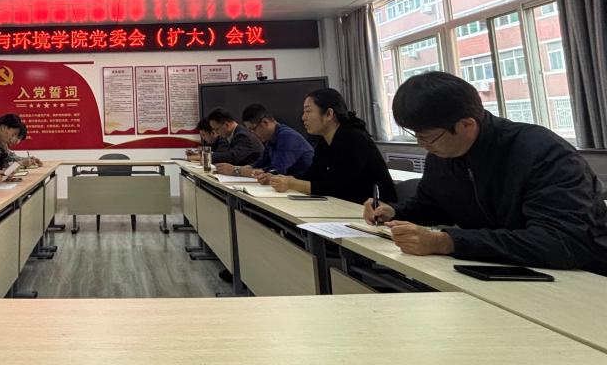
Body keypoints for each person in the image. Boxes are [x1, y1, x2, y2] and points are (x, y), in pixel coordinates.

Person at [364, 72, 607, 272]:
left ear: (466, 125)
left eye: (427, 137)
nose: (421, 145)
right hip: (498, 269)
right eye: (415, 135)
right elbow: (433, 205)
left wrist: (448, 242)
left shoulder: (543, 152)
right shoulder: (443, 155)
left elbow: (559, 242)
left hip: (581, 276)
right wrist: (394, 211)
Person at [270, 89, 395, 205]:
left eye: (308, 111)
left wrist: (293, 183)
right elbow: (313, 175)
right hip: (343, 205)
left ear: (329, 114)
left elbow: (338, 187)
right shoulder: (325, 140)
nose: (303, 117)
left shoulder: (353, 138)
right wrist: (280, 179)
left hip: (373, 210)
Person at [216, 103, 314, 179]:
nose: (253, 134)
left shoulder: (287, 136)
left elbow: (277, 171)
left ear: (265, 122)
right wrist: (239, 169)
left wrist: (236, 170)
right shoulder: (271, 138)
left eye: (253, 129)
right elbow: (260, 164)